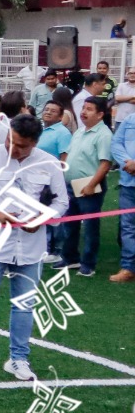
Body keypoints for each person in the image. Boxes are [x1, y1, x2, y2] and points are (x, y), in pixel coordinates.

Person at [0, 115, 68, 383]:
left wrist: (42, 219)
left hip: (31, 247)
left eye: (21, 145)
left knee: (25, 305)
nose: (13, 148)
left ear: (34, 143)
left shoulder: (49, 163)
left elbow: (61, 202)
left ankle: (18, 359)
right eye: (10, 141)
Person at [55, 97, 111, 276]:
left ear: (100, 114)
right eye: (83, 108)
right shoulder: (80, 131)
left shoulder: (104, 134)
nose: (83, 112)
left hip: (89, 186)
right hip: (71, 185)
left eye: (89, 109)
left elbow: (105, 163)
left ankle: (88, 264)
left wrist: (91, 185)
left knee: (90, 226)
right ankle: (70, 258)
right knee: (69, 224)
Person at [108, 105, 135, 283]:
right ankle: (128, 268)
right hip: (128, 183)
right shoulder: (130, 119)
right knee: (128, 227)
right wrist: (127, 163)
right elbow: (116, 143)